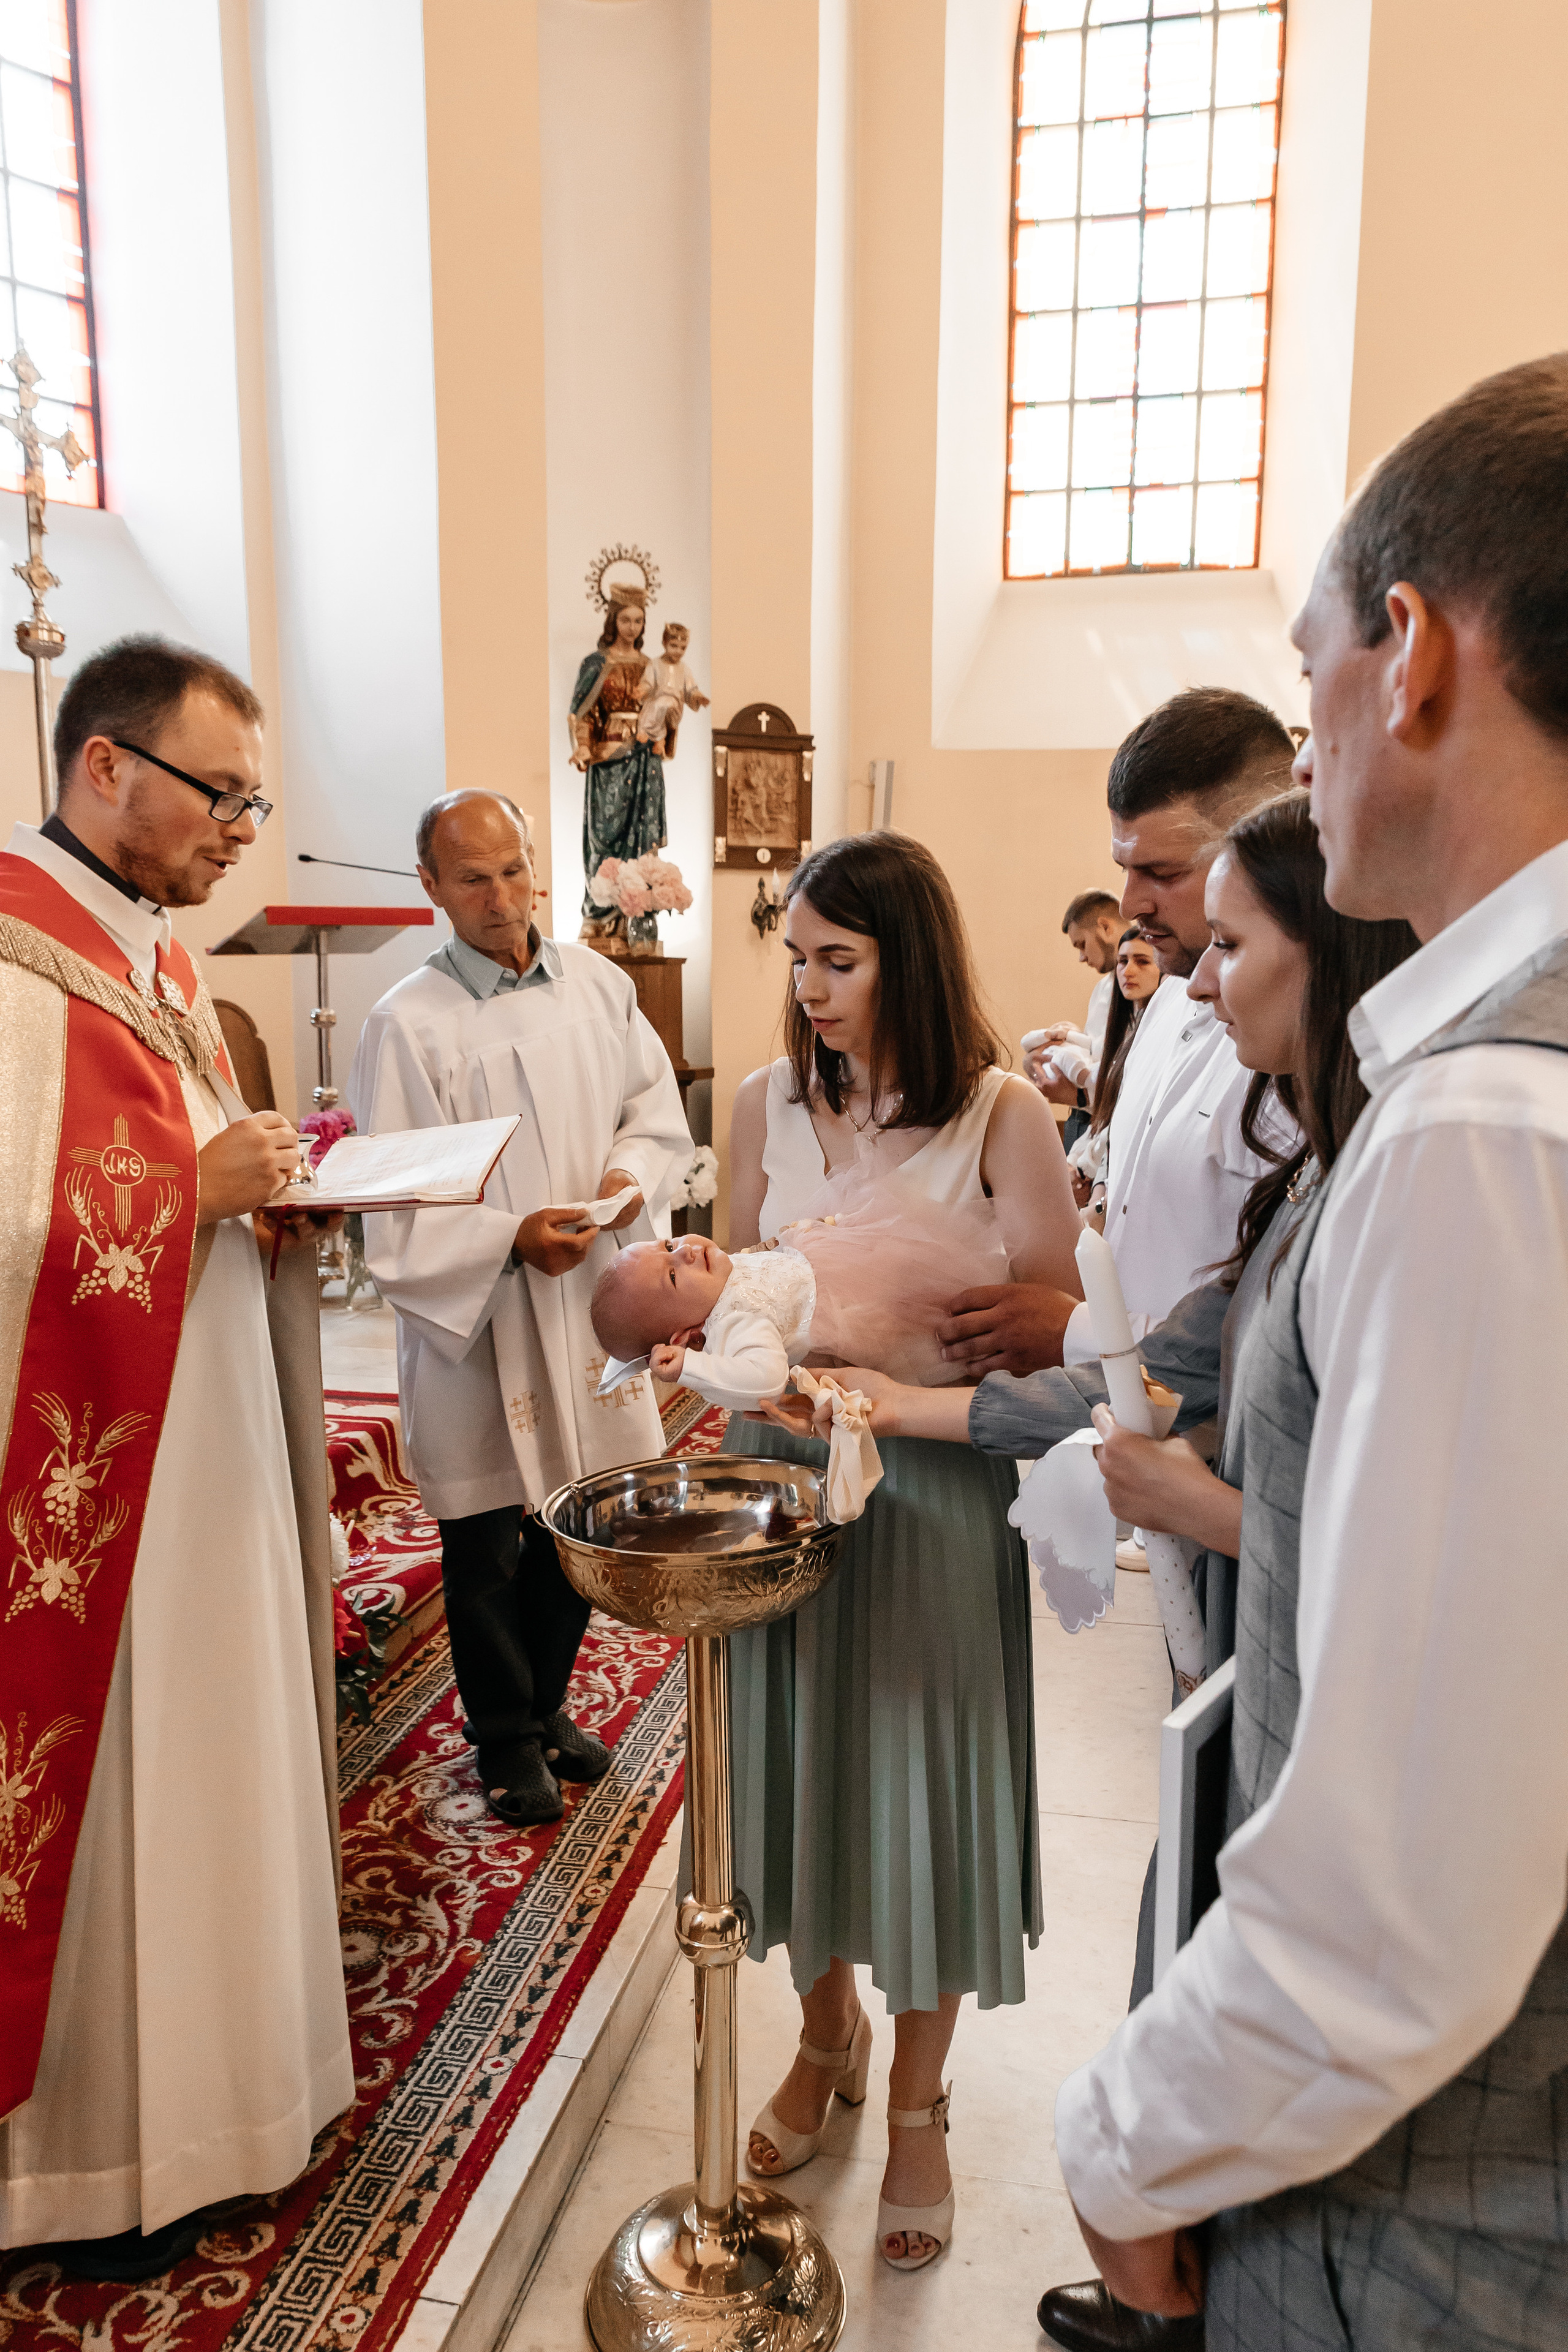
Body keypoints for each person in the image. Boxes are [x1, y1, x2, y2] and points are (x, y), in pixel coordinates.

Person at [1048, 356, 1568, 2351]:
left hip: (1444, 2211)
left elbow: (1398, 1912)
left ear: (1414, 653)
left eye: (1311, 662)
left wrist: (1127, 2149)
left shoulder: (1486, 1124)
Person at [804, 789, 1418, 2349]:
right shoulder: (1318, 1171)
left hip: (1313, 1677)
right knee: (1180, 1880)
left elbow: (1412, 1544)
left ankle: (1082, 2178)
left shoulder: (1435, 1156)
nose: (1190, 984)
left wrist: (1187, 1502)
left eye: (1219, 939)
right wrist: (879, 1396)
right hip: (1201, 1637)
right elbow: (1142, 1360)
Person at [0, 636, 352, 2281]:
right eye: (224, 795)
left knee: (207, 1773)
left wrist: (260, 1191)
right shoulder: (11, 964)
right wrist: (182, 1196)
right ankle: (91, 2160)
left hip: (202, 1474)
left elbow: (197, 1171)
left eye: (255, 800)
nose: (242, 833)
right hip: (82, 1507)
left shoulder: (162, 969)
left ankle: (220, 2111)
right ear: (103, 768)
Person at [722, 832, 1085, 2271]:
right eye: (795, 955)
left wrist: (927, 1368)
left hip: (930, 1485)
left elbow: (1055, 1331)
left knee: (917, 1785)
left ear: (906, 960)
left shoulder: (1000, 1117)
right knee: (799, 1773)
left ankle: (921, 2103)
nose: (807, 985)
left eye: (838, 958)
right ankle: (827, 2040)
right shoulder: (762, 1102)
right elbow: (735, 1283)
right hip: (785, 1482)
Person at [347, 790, 690, 1829]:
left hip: (588, 1301)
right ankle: (503, 1741)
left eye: (513, 870)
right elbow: (394, 1205)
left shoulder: (598, 983)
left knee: (573, 1526)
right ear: (431, 889)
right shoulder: (406, 1024)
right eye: (472, 879)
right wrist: (507, 1241)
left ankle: (549, 1711)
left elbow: (653, 1113)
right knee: (490, 1540)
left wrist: (628, 1180)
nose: (501, 899)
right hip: (483, 1323)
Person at [938, 688, 1298, 1382]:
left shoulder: (1292, 1049)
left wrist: (1074, 1332)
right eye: (1124, 869)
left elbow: (1268, 1324)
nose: (1131, 904)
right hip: (1108, 1421)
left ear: (1263, 848)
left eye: (1162, 873)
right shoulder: (1164, 997)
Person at [590, 1178, 1009, 1408]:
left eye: (668, 1245)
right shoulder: (735, 1324)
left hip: (853, 1259)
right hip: (864, 1314)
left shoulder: (719, 1278)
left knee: (945, 1263)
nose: (685, 1251)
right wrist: (689, 1369)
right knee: (941, 1323)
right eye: (673, 1276)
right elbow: (765, 1381)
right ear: (683, 1337)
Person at [570, 588, 666, 934]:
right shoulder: (596, 663)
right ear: (613, 620)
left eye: (638, 620)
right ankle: (598, 913)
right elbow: (582, 712)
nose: (632, 627)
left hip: (643, 759)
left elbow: (664, 709)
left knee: (640, 838)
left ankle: (634, 915)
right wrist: (583, 747)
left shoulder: (652, 667)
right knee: (604, 837)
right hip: (608, 760)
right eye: (625, 619)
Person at [1065, 925, 1164, 1210]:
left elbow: (1131, 1119)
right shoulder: (1128, 1029)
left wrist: (1086, 1173)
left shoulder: (1163, 1033)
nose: (1128, 971)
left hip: (1123, 1176)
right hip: (1099, 1160)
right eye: (1123, 961)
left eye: (1142, 961)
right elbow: (1107, 1118)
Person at [1028, 888, 1125, 1147]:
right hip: (1082, 1117)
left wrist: (1079, 1096)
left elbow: (1129, 1071)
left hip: (1109, 1121)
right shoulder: (1103, 988)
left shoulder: (1148, 987)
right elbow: (1098, 1054)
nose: (1082, 957)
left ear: (1105, 927)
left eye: (1082, 944)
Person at [634, 620, 709, 752]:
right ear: (665, 643)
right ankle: (656, 738)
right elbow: (648, 682)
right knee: (656, 706)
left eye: (683, 648)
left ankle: (661, 738)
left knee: (666, 703)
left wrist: (698, 697)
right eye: (674, 646)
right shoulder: (655, 664)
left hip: (673, 707)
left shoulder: (684, 669)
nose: (679, 651)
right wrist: (642, 691)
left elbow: (691, 689)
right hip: (653, 706)